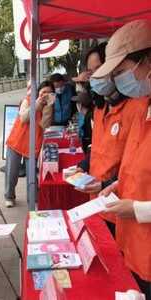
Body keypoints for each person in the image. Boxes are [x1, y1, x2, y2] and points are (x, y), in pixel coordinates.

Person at [92, 19, 151, 299]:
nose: (119, 81)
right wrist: (119, 185)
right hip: (135, 249)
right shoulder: (144, 108)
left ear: (147, 61)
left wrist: (138, 209)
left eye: (122, 71)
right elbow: (138, 167)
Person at [5, 80, 54, 207]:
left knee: (32, 175)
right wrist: (37, 104)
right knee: (12, 172)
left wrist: (48, 106)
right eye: (43, 92)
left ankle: (32, 200)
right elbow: (24, 118)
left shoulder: (48, 106)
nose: (45, 95)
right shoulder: (28, 100)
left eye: (49, 93)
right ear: (38, 92)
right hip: (17, 140)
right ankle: (9, 196)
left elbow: (45, 125)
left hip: (33, 144)